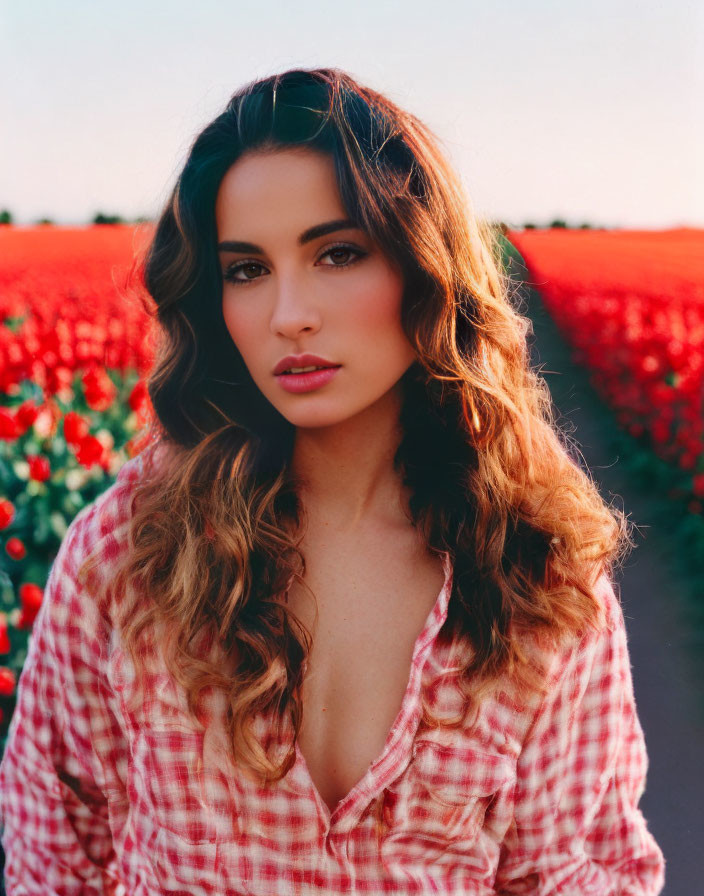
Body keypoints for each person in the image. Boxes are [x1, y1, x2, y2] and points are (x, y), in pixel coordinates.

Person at [0, 67, 664, 895]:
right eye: (246, 270)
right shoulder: (123, 555)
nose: (289, 314)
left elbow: (577, 876)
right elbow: (54, 855)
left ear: (424, 268)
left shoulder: (539, 574)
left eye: (337, 253)